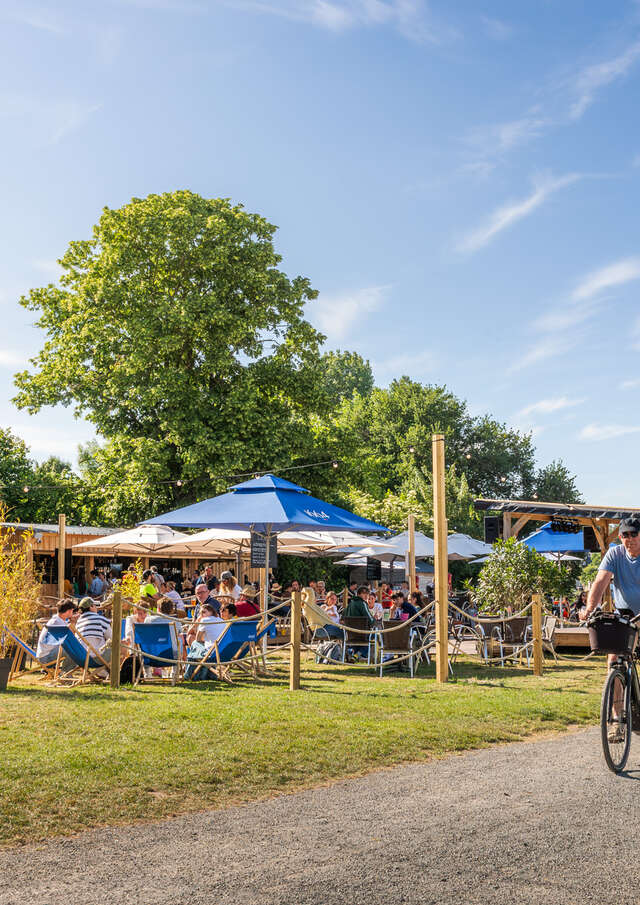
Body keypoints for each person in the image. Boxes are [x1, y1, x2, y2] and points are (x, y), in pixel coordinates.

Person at [581, 517, 640, 741]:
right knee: (614, 659)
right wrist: (590, 607)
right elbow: (600, 582)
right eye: (625, 535)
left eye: (634, 534)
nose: (629, 539)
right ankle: (617, 720)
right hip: (625, 614)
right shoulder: (614, 554)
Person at [36, 599, 76, 665]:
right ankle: (65, 672)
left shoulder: (56, 621)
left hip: (45, 655)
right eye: (72, 611)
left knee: (72, 648)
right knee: (73, 650)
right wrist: (73, 623)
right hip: (46, 658)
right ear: (69, 611)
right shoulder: (57, 623)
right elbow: (70, 640)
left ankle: (64, 672)